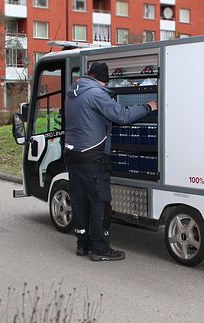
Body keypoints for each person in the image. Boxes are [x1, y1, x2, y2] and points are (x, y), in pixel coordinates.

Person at [64, 62, 157, 261]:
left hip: (73, 156)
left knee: (80, 202)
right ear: (102, 80)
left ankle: (83, 244)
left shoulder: (73, 93)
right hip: (93, 157)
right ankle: (100, 249)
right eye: (106, 84)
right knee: (100, 203)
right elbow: (122, 116)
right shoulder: (96, 94)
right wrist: (148, 106)